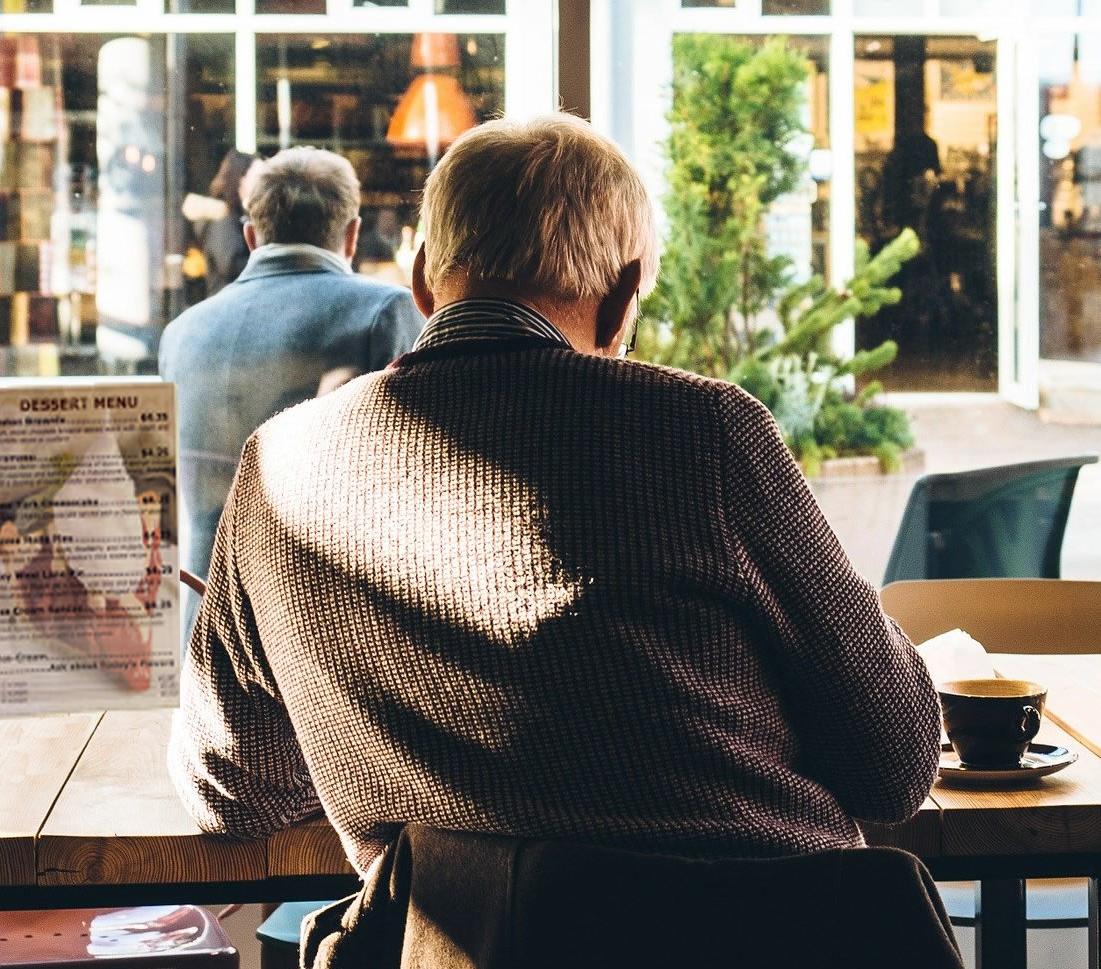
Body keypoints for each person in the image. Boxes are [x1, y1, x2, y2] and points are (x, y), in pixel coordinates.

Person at [168, 115, 941, 877]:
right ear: (622, 296)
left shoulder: (279, 466)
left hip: (461, 964)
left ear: (423, 279)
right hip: (773, 952)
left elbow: (231, 791)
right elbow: (895, 764)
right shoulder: (706, 433)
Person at [159, 146, 423, 617]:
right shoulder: (383, 313)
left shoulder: (181, 335)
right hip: (322, 627)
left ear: (251, 236)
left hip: (200, 624)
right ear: (353, 235)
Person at [197, 148, 257, 297]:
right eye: (256, 176)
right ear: (240, 179)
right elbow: (229, 264)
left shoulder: (236, 214)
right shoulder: (224, 216)